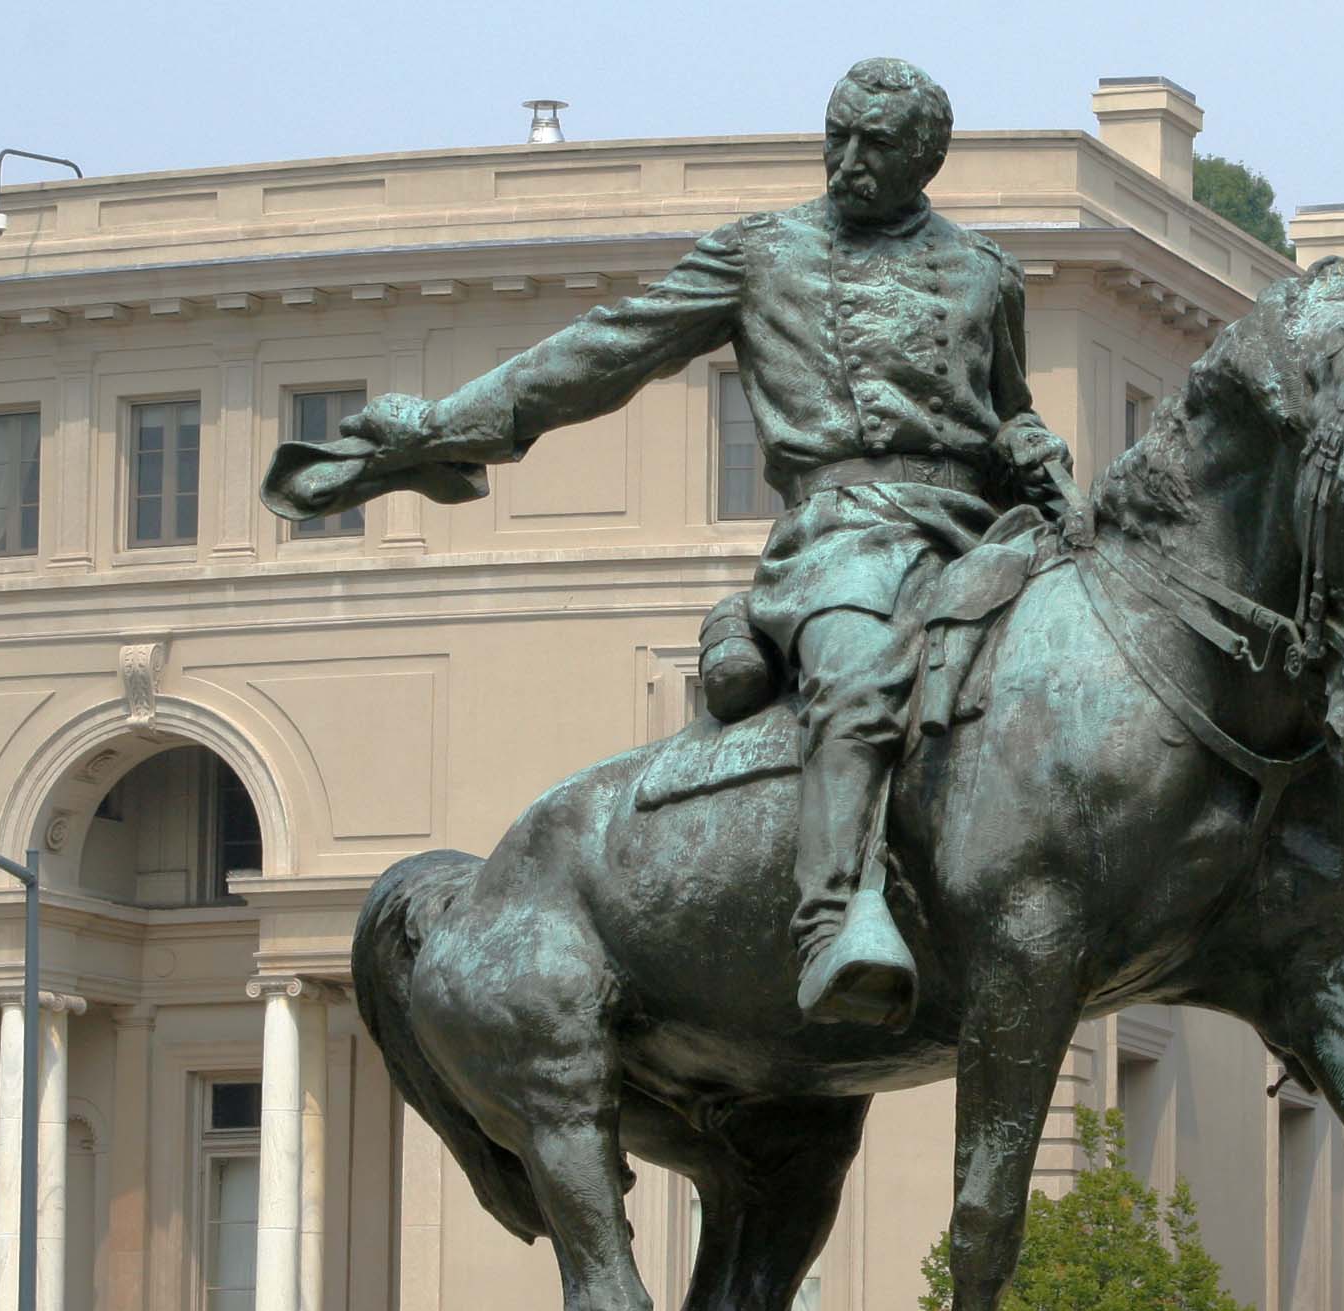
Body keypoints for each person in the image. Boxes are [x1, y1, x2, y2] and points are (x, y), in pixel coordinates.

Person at [339, 57, 1072, 1029]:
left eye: (876, 145)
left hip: (980, 533)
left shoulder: (987, 272)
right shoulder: (762, 253)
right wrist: (443, 428)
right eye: (835, 135)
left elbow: (1005, 411)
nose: (846, 161)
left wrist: (1038, 451)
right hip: (843, 536)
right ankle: (832, 921)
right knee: (858, 673)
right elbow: (602, 351)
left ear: (926, 160)